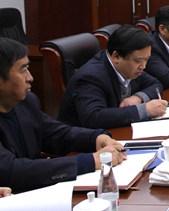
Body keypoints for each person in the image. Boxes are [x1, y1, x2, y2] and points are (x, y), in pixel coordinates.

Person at [0, 38, 125, 192]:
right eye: (22, 70)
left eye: (28, 69)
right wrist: (89, 161)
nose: (30, 77)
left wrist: (96, 138)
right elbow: (11, 171)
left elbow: (56, 134)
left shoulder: (26, 102)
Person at [58, 25, 167, 129]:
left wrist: (138, 98)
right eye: (138, 60)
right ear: (116, 56)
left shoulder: (130, 68)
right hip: (85, 139)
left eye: (146, 59)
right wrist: (144, 110)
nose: (143, 66)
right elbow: (93, 117)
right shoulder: (91, 77)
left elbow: (155, 84)